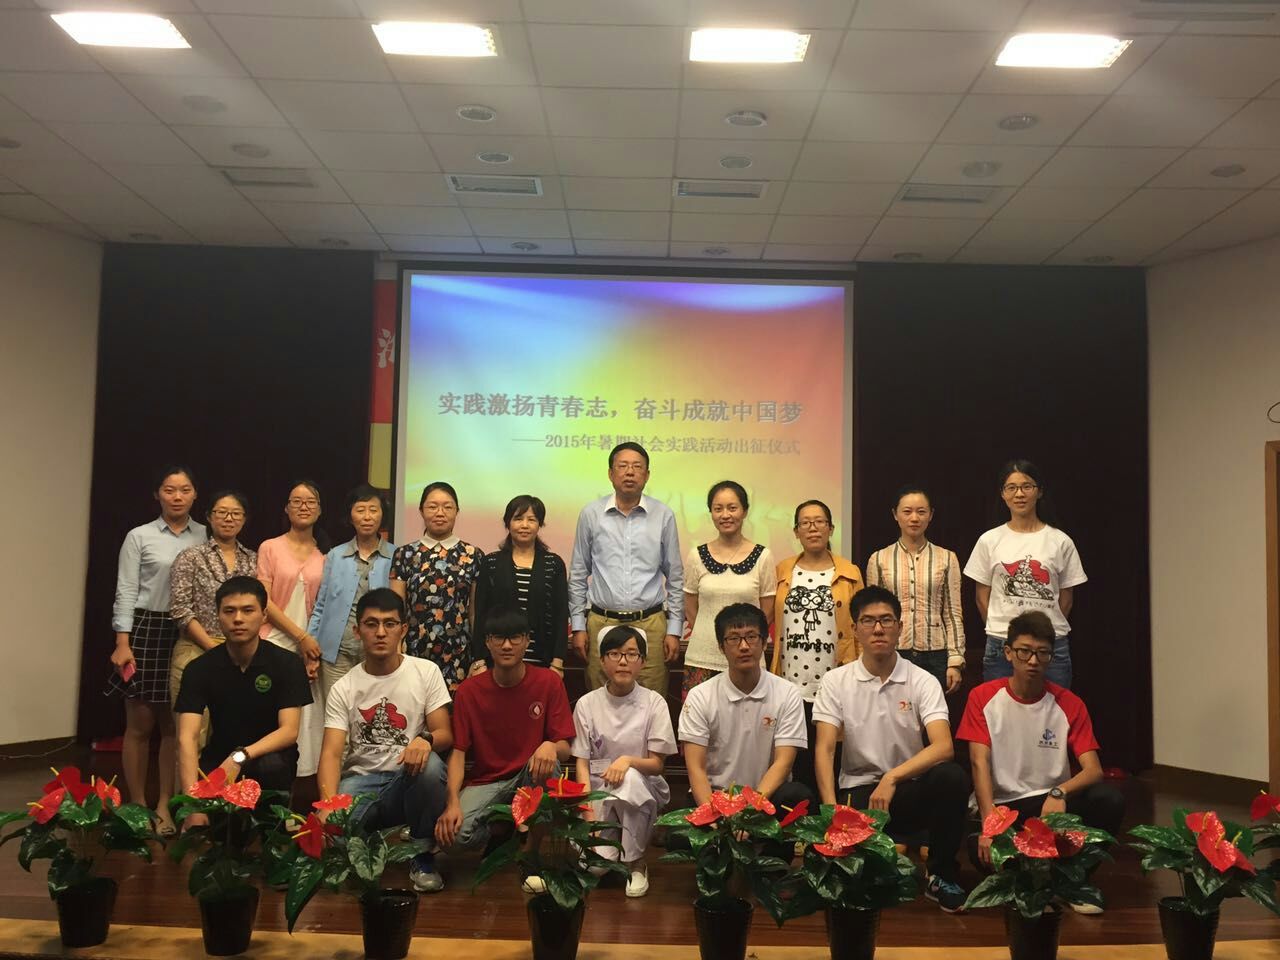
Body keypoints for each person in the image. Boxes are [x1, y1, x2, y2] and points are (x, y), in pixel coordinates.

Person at [811, 585, 971, 913]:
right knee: (852, 888)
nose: (878, 629)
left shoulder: (922, 680)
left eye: (886, 620)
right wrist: (830, 812)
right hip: (858, 795)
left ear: (899, 627)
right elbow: (825, 749)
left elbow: (943, 746)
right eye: (868, 621)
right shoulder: (835, 681)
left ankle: (941, 875)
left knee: (952, 777)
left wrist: (893, 777)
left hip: (908, 790)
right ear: (855, 629)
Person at [957, 610, 1125, 913]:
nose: (1033, 661)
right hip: (1006, 809)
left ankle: (1071, 883)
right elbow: (979, 763)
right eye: (1024, 651)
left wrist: (1059, 792)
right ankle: (1033, 886)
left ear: (1051, 657)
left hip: (1051, 807)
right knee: (978, 851)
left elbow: (1093, 770)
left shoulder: (1069, 703)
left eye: (1042, 653)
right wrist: (990, 825)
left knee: (1109, 800)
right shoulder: (982, 698)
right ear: (1008, 653)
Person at [319, 589, 452, 894]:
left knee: (432, 766)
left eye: (389, 624)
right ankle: (366, 837)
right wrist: (327, 804)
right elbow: (331, 753)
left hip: (406, 777)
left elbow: (445, 733)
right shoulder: (344, 687)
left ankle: (421, 853)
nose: (380, 632)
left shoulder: (425, 672)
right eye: (371, 624)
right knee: (335, 839)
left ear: (403, 630)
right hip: (361, 782)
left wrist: (425, 739)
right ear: (357, 631)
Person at [105, 466, 206, 835]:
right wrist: (122, 641)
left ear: (195, 495)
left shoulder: (205, 535)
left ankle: (165, 803)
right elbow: (126, 590)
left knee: (173, 726)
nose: (177, 497)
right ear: (157, 494)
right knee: (139, 725)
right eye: (169, 489)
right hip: (146, 628)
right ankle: (137, 804)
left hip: (188, 630)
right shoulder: (139, 536)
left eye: (185, 489)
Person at [435, 607, 575, 859]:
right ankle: (501, 828)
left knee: (550, 763)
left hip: (529, 775)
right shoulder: (469, 691)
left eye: (515, 638)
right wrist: (452, 802)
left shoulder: (548, 682)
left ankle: (530, 851)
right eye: (499, 638)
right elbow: (458, 752)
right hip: (488, 781)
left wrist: (551, 746)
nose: (507, 646)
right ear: (488, 642)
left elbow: (564, 749)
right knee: (452, 839)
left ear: (527, 641)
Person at [175, 576, 312, 815]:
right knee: (209, 819)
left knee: (271, 767)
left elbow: (289, 731)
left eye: (248, 610)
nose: (238, 619)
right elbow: (186, 737)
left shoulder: (287, 664)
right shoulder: (199, 668)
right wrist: (192, 806)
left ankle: (272, 826)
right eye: (229, 611)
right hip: (219, 759)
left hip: (269, 758)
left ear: (264, 615)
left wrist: (239, 757)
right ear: (218, 615)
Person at [569, 442, 683, 694]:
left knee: (653, 700)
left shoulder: (663, 515)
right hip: (601, 622)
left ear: (647, 475)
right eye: (623, 466)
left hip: (650, 624)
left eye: (637, 467)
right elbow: (578, 574)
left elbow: (675, 578)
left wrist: (674, 630)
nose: (630, 472)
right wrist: (578, 625)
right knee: (600, 699)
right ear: (611, 474)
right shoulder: (591, 514)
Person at [679, 603, 813, 817]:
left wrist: (749, 813)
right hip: (716, 797)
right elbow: (696, 768)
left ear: (764, 641)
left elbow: (784, 762)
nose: (743, 646)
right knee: (678, 830)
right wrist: (714, 815)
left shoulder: (787, 693)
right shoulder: (700, 696)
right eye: (733, 638)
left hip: (766, 798)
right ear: (721, 647)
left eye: (751, 636)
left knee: (797, 794)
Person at [572, 626, 676, 898]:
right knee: (596, 869)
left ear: (642, 661)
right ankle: (612, 848)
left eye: (631, 654)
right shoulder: (586, 704)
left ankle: (636, 863)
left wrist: (627, 761)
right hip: (598, 789)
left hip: (642, 787)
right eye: (614, 654)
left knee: (628, 779)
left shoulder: (654, 703)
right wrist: (588, 815)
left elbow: (657, 765)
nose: (623, 661)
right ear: (602, 660)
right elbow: (581, 764)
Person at [964, 460, 1087, 688]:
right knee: (999, 707)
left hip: (1051, 644)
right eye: (1011, 488)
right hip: (1002, 643)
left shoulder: (1060, 541)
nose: (1019, 494)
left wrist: (1045, 632)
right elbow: (981, 596)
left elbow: (1067, 597)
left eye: (1026, 486)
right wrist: (999, 628)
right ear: (1003, 494)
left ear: (1039, 492)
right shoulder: (989, 540)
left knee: (1055, 707)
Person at [771, 499, 864, 790]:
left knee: (832, 757)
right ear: (796, 531)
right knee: (795, 759)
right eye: (805, 523)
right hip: (790, 682)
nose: (813, 528)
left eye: (819, 522)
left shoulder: (850, 572)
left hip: (834, 679)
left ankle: (830, 815)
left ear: (831, 528)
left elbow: (860, 627)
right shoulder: (782, 571)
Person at [169, 490, 257, 747]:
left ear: (244, 519)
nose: (229, 519)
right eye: (222, 512)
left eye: (236, 513)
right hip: (196, 648)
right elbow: (180, 610)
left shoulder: (253, 560)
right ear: (209, 516)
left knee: (237, 734)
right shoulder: (190, 557)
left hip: (242, 652)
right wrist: (214, 649)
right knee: (192, 738)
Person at [257, 481, 328, 778]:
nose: (303, 506)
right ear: (286, 508)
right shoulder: (270, 547)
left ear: (320, 510)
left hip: (310, 649)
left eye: (310, 501)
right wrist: (301, 637)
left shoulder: (326, 555)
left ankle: (299, 793)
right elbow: (264, 601)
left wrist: (311, 650)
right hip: (274, 641)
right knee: (269, 716)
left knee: (306, 723)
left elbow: (325, 607)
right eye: (296, 501)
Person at [865, 486, 965, 694]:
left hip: (935, 654)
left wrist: (955, 660)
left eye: (921, 512)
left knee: (932, 712)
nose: (914, 518)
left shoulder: (947, 558)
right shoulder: (879, 559)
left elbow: (953, 612)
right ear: (895, 515)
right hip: (892, 651)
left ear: (931, 515)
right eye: (907, 511)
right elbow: (873, 614)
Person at [681, 480, 775, 699]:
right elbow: (691, 607)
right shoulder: (696, 555)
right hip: (702, 657)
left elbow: (767, 613)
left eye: (732, 508)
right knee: (700, 717)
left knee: (748, 717)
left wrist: (743, 640)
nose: (725, 515)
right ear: (711, 513)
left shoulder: (763, 556)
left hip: (747, 658)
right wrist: (712, 635)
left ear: (745, 511)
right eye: (718, 509)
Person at [390, 481, 482, 693]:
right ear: (421, 510)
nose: (440, 513)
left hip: (458, 652)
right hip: (414, 649)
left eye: (447, 507)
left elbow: (474, 613)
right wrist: (396, 649)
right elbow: (397, 609)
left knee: (454, 710)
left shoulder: (472, 555)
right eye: (432, 506)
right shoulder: (405, 554)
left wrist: (479, 657)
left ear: (457, 511)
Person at [308, 484, 396, 699]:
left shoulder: (397, 555)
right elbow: (321, 606)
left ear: (382, 515)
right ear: (350, 516)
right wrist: (310, 646)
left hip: (378, 650)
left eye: (373, 510)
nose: (367, 516)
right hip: (336, 652)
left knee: (373, 710)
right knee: (336, 709)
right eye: (360, 510)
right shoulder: (335, 555)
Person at [472, 494, 568, 676]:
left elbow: (561, 616)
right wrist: (479, 660)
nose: (525, 525)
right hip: (498, 660)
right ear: (507, 523)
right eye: (518, 519)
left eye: (532, 519)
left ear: (539, 524)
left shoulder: (554, 564)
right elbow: (481, 615)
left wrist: (558, 662)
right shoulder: (491, 563)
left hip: (542, 660)